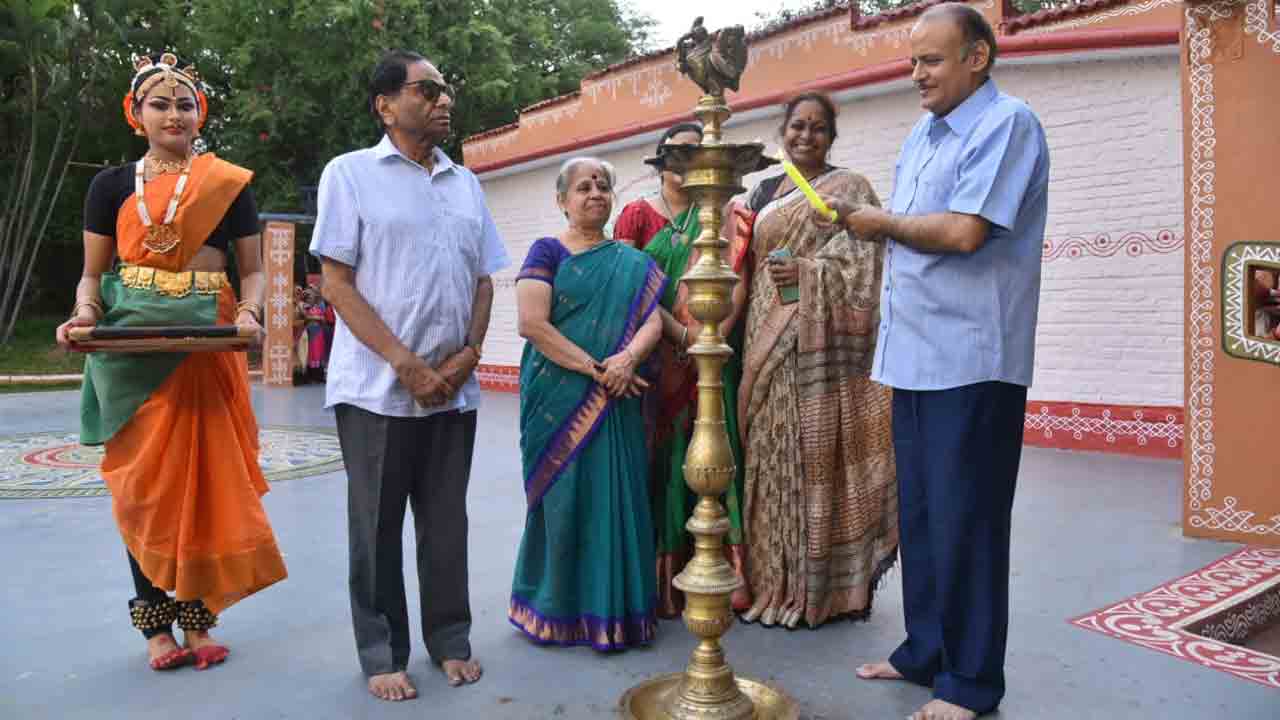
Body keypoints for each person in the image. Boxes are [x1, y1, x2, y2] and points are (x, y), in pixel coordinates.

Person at [823, 5, 1050, 719]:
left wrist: (879, 222)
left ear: (978, 57)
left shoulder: (1007, 124)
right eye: (913, 60)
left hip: (974, 360)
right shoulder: (924, 133)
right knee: (920, 514)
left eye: (931, 60)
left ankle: (973, 683)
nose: (915, 74)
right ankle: (925, 651)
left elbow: (962, 233)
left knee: (970, 519)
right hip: (915, 355)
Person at [55, 52, 286, 672]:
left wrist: (252, 313)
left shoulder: (227, 184)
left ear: (199, 114)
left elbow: (255, 270)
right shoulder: (109, 186)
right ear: (137, 114)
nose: (174, 113)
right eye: (160, 103)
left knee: (206, 483)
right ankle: (155, 622)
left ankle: (198, 618)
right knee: (147, 489)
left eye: (185, 104)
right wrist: (83, 313)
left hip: (205, 347)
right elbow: (92, 275)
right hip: (131, 350)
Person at [310, 50, 507, 701]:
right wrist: (407, 364)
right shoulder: (351, 174)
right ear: (386, 105)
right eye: (428, 90)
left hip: (456, 388)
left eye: (447, 89)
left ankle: (450, 639)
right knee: (376, 526)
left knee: (446, 522)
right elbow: (335, 282)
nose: (444, 100)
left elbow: (482, 281)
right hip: (376, 393)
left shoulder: (464, 183)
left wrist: (466, 358)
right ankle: (383, 652)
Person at [732, 92, 897, 630]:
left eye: (818, 128)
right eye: (797, 126)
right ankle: (767, 582)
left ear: (831, 136)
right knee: (767, 449)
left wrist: (808, 271)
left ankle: (814, 590)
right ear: (783, 130)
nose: (806, 136)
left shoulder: (850, 188)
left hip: (815, 342)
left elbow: (865, 264)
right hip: (763, 327)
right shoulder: (764, 191)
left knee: (811, 452)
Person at [508, 156, 665, 651]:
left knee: (615, 496)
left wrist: (629, 359)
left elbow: (653, 321)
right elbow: (533, 324)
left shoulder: (632, 262)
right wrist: (602, 371)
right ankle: (553, 610)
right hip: (560, 395)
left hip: (616, 398)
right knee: (564, 497)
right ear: (562, 200)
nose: (595, 193)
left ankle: (616, 610)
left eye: (603, 185)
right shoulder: (547, 251)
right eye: (582, 187)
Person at [614, 122, 751, 617]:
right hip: (659, 358)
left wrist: (709, 339)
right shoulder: (636, 215)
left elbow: (735, 282)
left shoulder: (724, 215)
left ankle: (721, 570)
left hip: (712, 359)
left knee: (717, 449)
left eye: (698, 153)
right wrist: (681, 335)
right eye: (679, 153)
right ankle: (665, 581)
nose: (689, 161)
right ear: (661, 159)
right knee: (664, 460)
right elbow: (627, 287)